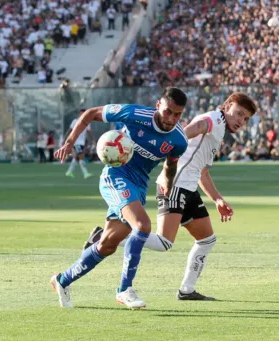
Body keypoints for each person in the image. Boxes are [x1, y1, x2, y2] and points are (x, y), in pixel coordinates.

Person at [83, 92, 258, 300]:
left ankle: (187, 290)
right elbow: (181, 135)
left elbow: (202, 172)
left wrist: (217, 199)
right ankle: (104, 237)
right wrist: (168, 161)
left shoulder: (218, 128)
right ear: (227, 105)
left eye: (245, 118)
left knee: (207, 240)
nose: (241, 121)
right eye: (239, 114)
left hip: (189, 188)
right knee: (165, 242)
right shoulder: (211, 120)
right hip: (176, 186)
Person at [51, 87, 189, 309]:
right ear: (158, 106)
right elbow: (91, 114)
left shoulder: (179, 139)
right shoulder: (134, 114)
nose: (171, 119)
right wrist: (70, 141)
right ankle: (125, 289)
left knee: (107, 245)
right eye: (168, 112)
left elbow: (171, 164)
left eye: (177, 114)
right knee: (142, 225)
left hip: (138, 186)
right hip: (115, 176)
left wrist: (169, 185)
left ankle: (62, 280)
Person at [64, 109, 94, 179]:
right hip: (76, 142)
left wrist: (92, 140)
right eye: (81, 113)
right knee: (81, 157)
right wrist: (65, 139)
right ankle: (85, 173)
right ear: (79, 114)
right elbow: (70, 130)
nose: (82, 115)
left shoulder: (87, 122)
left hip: (82, 142)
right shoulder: (75, 121)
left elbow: (89, 132)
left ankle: (69, 172)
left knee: (75, 157)